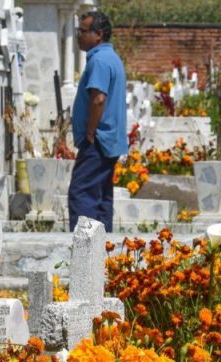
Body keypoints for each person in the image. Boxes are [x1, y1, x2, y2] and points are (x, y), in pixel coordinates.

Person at [67, 10, 128, 232]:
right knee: (101, 195)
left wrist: (90, 132)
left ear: (98, 34)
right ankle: (103, 252)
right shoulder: (110, 57)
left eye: (83, 31)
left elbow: (98, 99)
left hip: (98, 140)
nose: (78, 36)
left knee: (81, 192)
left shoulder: (100, 60)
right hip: (108, 140)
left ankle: (85, 250)